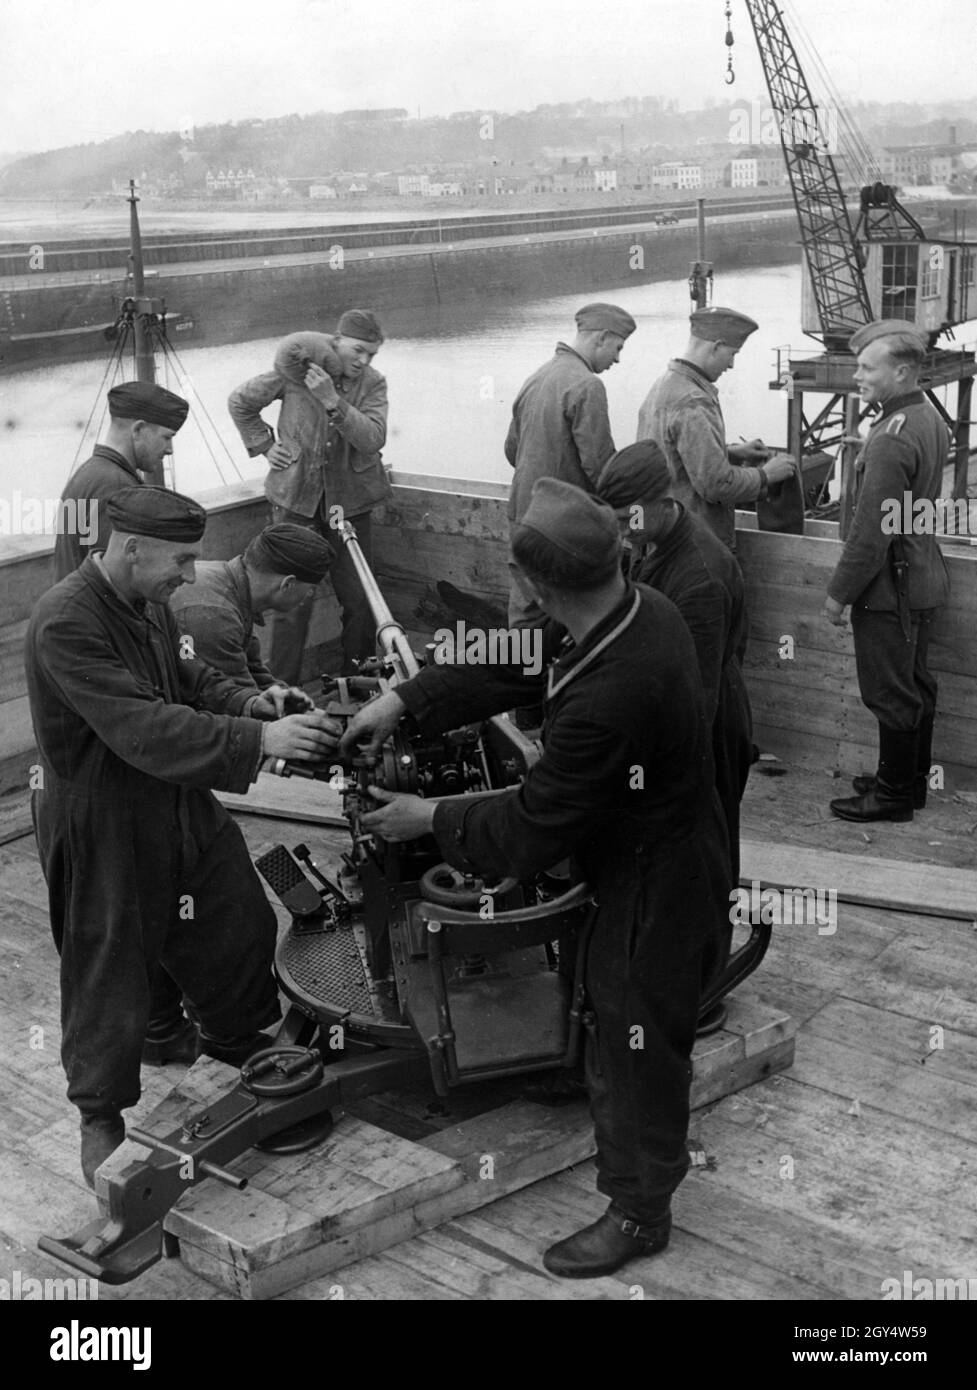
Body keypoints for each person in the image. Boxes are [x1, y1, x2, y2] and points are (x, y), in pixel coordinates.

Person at [336, 478, 730, 1279]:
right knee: (599, 993)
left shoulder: (616, 689)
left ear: (535, 585)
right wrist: (406, 701)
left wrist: (428, 819)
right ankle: (573, 1069)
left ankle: (637, 1210)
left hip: (654, 880)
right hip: (642, 847)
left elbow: (528, 827)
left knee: (637, 1043)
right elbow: (515, 659)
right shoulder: (631, 607)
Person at [25, 486, 339, 1187]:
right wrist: (259, 737)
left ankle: (233, 1041)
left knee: (235, 917)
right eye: (182, 559)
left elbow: (188, 679)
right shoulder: (65, 621)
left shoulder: (151, 603)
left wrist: (250, 701)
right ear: (130, 548)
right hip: (104, 817)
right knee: (109, 964)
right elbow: (142, 726)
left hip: (175, 798)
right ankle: (100, 1110)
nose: (191, 575)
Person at [597, 440, 752, 896]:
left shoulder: (700, 576)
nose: (624, 533)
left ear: (666, 503)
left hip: (711, 725)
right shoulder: (655, 540)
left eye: (629, 519)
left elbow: (697, 701)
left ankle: (709, 956)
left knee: (705, 852)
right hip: (680, 705)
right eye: (618, 521)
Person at [823, 320, 950, 823]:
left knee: (890, 692)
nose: (856, 376)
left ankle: (893, 796)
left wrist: (838, 594)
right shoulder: (927, 417)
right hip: (921, 574)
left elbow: (869, 533)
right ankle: (908, 782)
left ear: (901, 372)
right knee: (916, 684)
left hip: (888, 587)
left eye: (866, 368)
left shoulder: (891, 438)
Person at [227, 310, 389, 682]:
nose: (363, 361)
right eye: (358, 351)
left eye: (372, 355)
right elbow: (240, 402)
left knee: (360, 601)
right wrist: (264, 444)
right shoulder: (297, 371)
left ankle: (359, 686)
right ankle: (283, 691)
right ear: (337, 341)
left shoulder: (374, 384)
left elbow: (373, 438)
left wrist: (334, 402)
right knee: (288, 604)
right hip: (295, 501)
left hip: (349, 505)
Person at [505, 301, 636, 625]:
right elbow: (602, 468)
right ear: (602, 338)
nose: (617, 359)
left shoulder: (537, 376)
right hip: (561, 527)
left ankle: (517, 673)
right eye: (618, 348)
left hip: (524, 515)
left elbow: (511, 451)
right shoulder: (587, 385)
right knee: (561, 616)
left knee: (525, 609)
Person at [636, 306, 795, 551]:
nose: (731, 365)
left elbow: (673, 457)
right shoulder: (694, 401)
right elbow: (716, 485)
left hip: (665, 535)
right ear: (716, 346)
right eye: (732, 354)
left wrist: (730, 452)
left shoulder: (664, 386)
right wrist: (766, 475)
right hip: (695, 544)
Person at [170, 522, 335, 702]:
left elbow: (254, 672)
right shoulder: (215, 616)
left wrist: (287, 696)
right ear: (287, 584)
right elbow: (238, 701)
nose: (310, 595)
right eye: (311, 588)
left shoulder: (234, 585)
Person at [52, 380, 189, 581]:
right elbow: (118, 579)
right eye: (167, 437)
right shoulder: (117, 487)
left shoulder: (89, 472)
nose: (170, 449)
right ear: (138, 430)